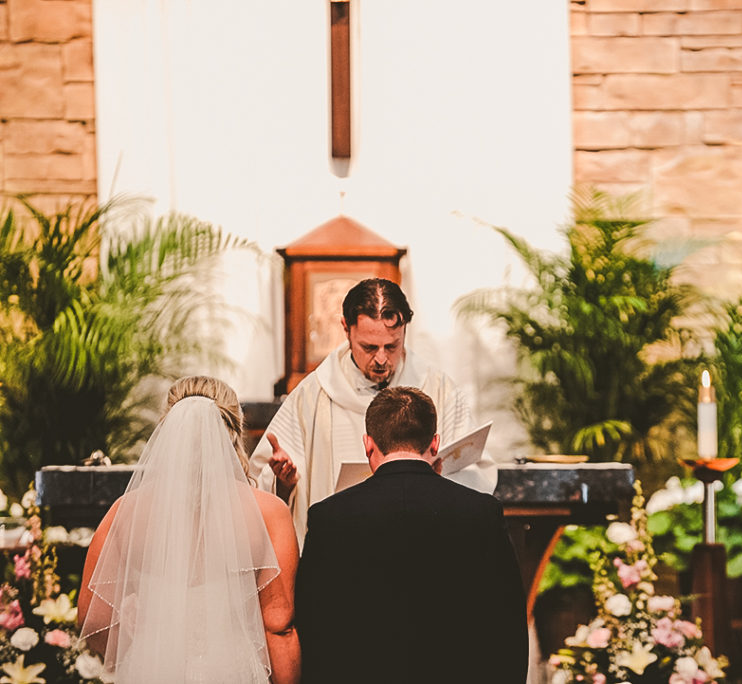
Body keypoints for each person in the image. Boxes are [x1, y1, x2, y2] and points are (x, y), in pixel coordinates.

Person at [295, 386, 528, 684]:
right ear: (435, 444)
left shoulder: (329, 517)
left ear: (368, 445)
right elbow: (507, 623)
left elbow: (314, 624)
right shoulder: (481, 512)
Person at [78, 376, 301, 684]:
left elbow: (94, 623)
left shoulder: (125, 513)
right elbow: (279, 627)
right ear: (235, 433)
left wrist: (144, 651)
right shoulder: (268, 513)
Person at [249, 277, 497, 545]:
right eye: (369, 347)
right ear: (346, 329)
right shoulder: (313, 394)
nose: (381, 359)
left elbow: (476, 474)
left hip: (420, 545)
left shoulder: (436, 388)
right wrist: (283, 481)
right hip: (344, 549)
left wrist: (439, 476)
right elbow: (261, 491)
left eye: (392, 346)